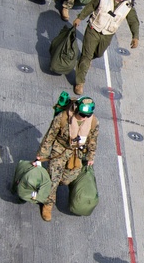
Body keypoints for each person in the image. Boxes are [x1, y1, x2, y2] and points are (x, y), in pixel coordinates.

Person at [33, 93, 98, 221]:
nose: (84, 118)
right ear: (76, 109)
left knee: (67, 179)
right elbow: (50, 136)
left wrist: (91, 157)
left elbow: (93, 140)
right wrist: (41, 155)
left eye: (87, 115)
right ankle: (48, 204)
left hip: (76, 153)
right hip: (60, 148)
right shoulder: (62, 117)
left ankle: (49, 179)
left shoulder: (93, 122)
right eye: (82, 114)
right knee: (54, 179)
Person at [72, 0, 139, 95]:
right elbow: (92, 5)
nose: (121, 0)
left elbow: (133, 21)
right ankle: (80, 82)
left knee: (98, 54)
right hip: (94, 28)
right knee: (86, 56)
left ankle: (86, 61)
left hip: (108, 34)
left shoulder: (128, 6)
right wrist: (80, 17)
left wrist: (135, 36)